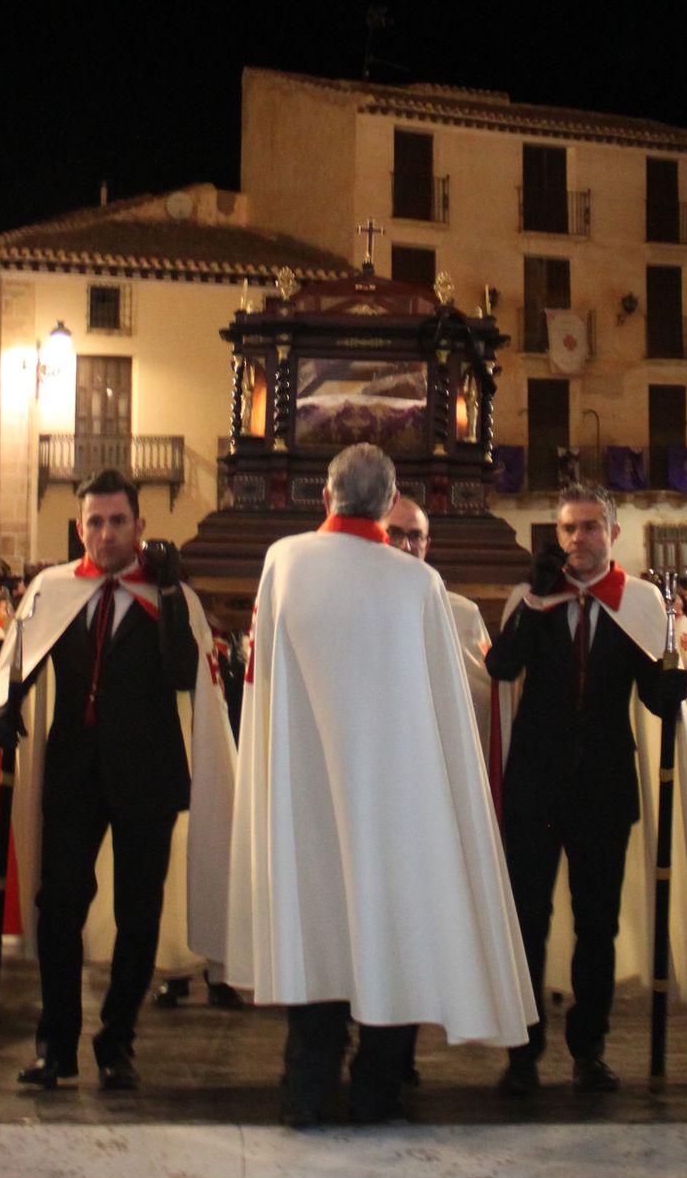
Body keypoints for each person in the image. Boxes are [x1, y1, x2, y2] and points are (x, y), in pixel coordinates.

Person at [227, 442, 533, 1128]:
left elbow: (262, 679)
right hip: (398, 803)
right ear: (389, 500)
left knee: (319, 931)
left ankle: (305, 1091)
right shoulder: (419, 585)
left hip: (303, 792)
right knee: (392, 936)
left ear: (325, 497)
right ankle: (377, 1091)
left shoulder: (284, 560)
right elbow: (446, 703)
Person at [0, 470, 232, 1093]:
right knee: (60, 906)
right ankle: (56, 1044)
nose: (104, 533)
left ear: (140, 527)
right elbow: (18, 661)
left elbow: (184, 674)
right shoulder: (53, 589)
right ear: (79, 527)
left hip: (147, 774)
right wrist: (4, 708)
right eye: (93, 522)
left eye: (117, 521)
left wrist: (173, 593)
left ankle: (117, 1041)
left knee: (137, 913)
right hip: (72, 771)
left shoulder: (170, 596)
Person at [485, 487, 687, 1097]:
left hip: (603, 785)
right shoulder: (531, 597)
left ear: (614, 531)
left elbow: (656, 700)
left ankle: (589, 1048)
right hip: (535, 786)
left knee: (595, 924)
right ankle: (521, 1051)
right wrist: (535, 598)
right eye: (569, 529)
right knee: (528, 919)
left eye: (590, 528)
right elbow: (502, 668)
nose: (579, 539)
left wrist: (677, 679)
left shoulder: (642, 602)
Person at [385, 490, 492, 751]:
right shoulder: (357, 609)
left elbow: (484, 697)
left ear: (426, 544)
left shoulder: (463, 614)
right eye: (394, 534)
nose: (405, 546)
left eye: (414, 536)